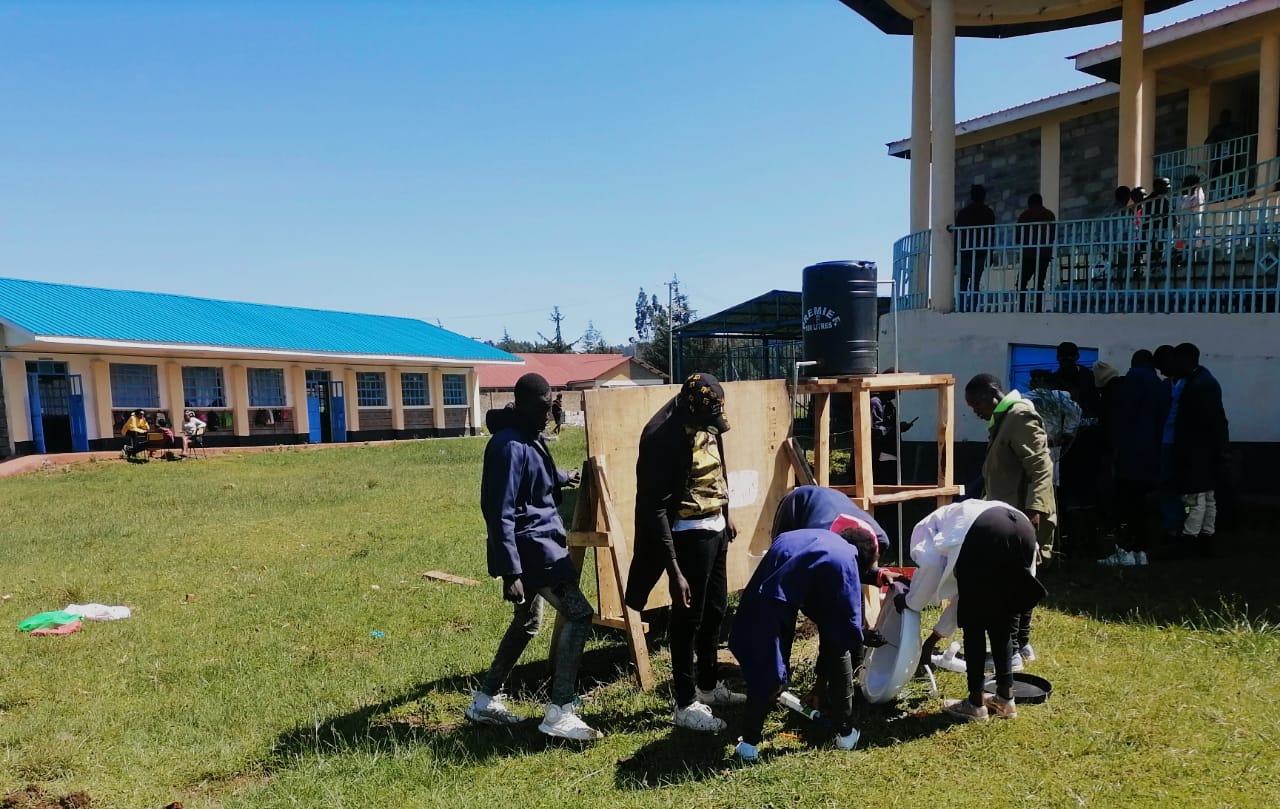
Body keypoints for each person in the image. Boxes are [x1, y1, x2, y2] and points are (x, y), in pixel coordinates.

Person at [467, 373, 600, 741]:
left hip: (540, 544)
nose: (549, 414)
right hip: (533, 552)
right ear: (523, 403)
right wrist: (512, 572)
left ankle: (484, 700)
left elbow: (537, 473)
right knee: (579, 614)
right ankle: (560, 710)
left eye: (551, 406)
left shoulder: (528, 437)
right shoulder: (507, 446)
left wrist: (563, 476)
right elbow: (501, 512)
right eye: (544, 407)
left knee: (527, 624)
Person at [625, 372, 744, 733]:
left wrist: (726, 511)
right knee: (686, 620)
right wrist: (674, 570)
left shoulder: (702, 416)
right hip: (687, 533)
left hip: (715, 527)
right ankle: (685, 702)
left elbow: (716, 464)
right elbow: (654, 509)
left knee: (716, 610)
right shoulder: (660, 437)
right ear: (691, 410)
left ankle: (708, 687)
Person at [728, 515, 880, 761]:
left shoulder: (813, 538)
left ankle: (754, 732)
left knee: (768, 670)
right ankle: (749, 746)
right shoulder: (846, 560)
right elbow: (846, 625)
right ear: (862, 562)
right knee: (770, 678)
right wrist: (863, 636)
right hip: (773, 607)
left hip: (759, 598)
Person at [907, 500, 1047, 722]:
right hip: (1023, 527)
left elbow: (931, 567)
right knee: (1001, 620)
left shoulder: (925, 528)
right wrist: (933, 638)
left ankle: (975, 704)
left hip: (986, 534)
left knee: (974, 623)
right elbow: (963, 597)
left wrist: (911, 604)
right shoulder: (959, 516)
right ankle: (1005, 700)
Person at [963, 373, 1055, 665]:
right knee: (1022, 578)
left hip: (1024, 517)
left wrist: (1035, 511)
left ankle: (1012, 649)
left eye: (977, 402)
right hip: (1009, 514)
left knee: (1012, 583)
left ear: (993, 393)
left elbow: (1041, 468)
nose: (975, 410)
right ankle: (1022, 644)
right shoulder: (1002, 420)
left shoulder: (1020, 416)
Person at [1098, 351, 1170, 566]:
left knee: (1126, 503)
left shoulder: (1132, 381)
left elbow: (1122, 416)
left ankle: (1125, 550)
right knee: (1140, 504)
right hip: (1151, 452)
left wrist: (1114, 447)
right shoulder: (1159, 384)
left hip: (1130, 452)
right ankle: (1141, 550)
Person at [1170, 343, 1229, 557]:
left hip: (1196, 449)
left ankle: (1189, 540)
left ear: (1186, 360)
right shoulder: (1205, 380)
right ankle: (1205, 537)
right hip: (1207, 449)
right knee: (1207, 497)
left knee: (1194, 499)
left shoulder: (1198, 385)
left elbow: (1197, 422)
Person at [955, 184, 996, 309]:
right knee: (975, 283)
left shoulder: (963, 213)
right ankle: (972, 307)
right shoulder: (988, 213)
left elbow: (958, 234)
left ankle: (961, 308)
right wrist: (990, 254)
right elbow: (991, 235)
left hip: (964, 252)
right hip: (980, 253)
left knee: (962, 282)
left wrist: (955, 255)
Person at [1016, 193, 1056, 312]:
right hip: (1044, 254)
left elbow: (1018, 237)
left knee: (1021, 284)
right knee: (1039, 284)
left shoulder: (1024, 216)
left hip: (1028, 255)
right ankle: (1037, 309)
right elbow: (1052, 235)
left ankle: (1022, 308)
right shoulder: (1049, 215)